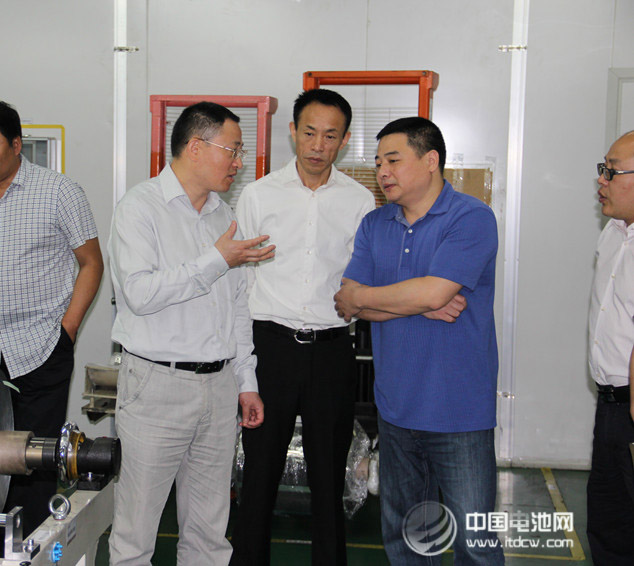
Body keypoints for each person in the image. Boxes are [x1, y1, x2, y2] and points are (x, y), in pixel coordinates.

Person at [108, 101, 273, 565]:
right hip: (157, 384)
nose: (239, 162)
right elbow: (140, 294)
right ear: (196, 147)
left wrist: (246, 381)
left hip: (219, 388)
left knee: (209, 534)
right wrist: (216, 260)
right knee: (136, 532)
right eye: (233, 150)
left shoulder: (224, 217)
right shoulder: (140, 208)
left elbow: (237, 309)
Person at [334, 116, 503, 565]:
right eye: (378, 163)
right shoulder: (375, 224)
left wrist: (385, 297)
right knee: (407, 538)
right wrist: (419, 301)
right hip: (396, 410)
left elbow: (421, 294)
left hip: (460, 412)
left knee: (474, 543)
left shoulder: (471, 217)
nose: (382, 171)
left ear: (431, 160)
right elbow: (347, 302)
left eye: (393, 160)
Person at [0, 99, 103, 534]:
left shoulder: (59, 191)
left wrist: (67, 331)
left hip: (42, 347)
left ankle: (31, 549)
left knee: (35, 461)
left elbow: (91, 263)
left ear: (15, 144)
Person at [230, 89, 374, 566]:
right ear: (293, 132)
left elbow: (361, 277)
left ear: (345, 141)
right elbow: (240, 281)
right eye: (309, 132)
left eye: (330, 136)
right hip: (271, 347)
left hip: (332, 350)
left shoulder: (359, 201)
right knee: (259, 474)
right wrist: (244, 364)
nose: (318, 145)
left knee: (330, 476)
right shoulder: (259, 195)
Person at [586, 130, 634, 563]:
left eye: (611, 171)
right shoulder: (613, 233)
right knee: (608, 523)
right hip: (611, 407)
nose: (601, 180)